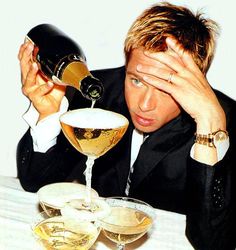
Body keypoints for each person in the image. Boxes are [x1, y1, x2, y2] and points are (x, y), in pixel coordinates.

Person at [17, 2, 236, 249]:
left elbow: (214, 242)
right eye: (137, 80)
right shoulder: (96, 91)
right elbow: (37, 185)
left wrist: (209, 126)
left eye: (166, 88)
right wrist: (48, 115)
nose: (144, 104)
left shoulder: (224, 120)